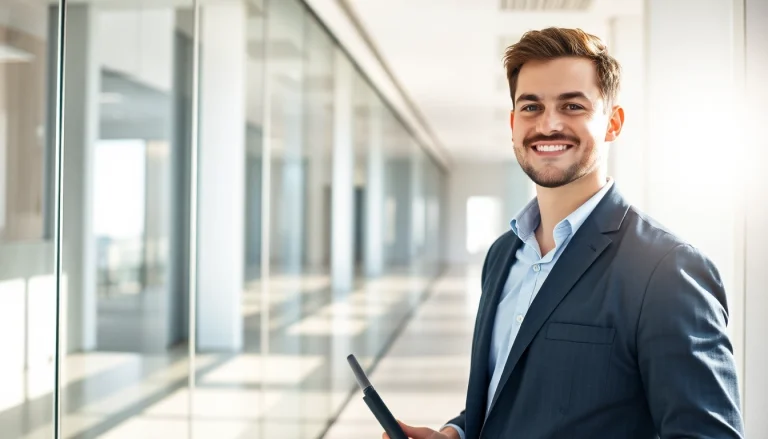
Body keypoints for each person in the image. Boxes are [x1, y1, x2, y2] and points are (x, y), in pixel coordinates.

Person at [384, 27, 744, 439]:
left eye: (572, 106)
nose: (549, 124)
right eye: (531, 107)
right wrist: (458, 433)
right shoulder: (503, 255)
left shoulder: (667, 270)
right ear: (513, 123)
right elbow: (511, 398)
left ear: (613, 123)